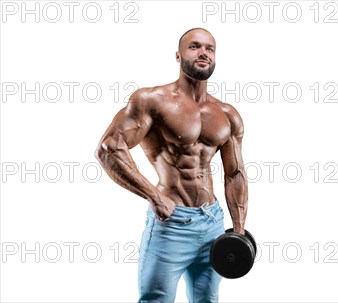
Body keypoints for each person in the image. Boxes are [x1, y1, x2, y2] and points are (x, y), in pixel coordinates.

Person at [95, 27, 248, 303]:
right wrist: (154, 196)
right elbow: (109, 148)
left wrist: (238, 228)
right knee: (156, 300)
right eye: (194, 46)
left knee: (207, 300)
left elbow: (234, 172)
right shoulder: (151, 101)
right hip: (171, 224)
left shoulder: (227, 114)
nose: (203, 53)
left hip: (213, 224)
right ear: (178, 56)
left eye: (209, 49)